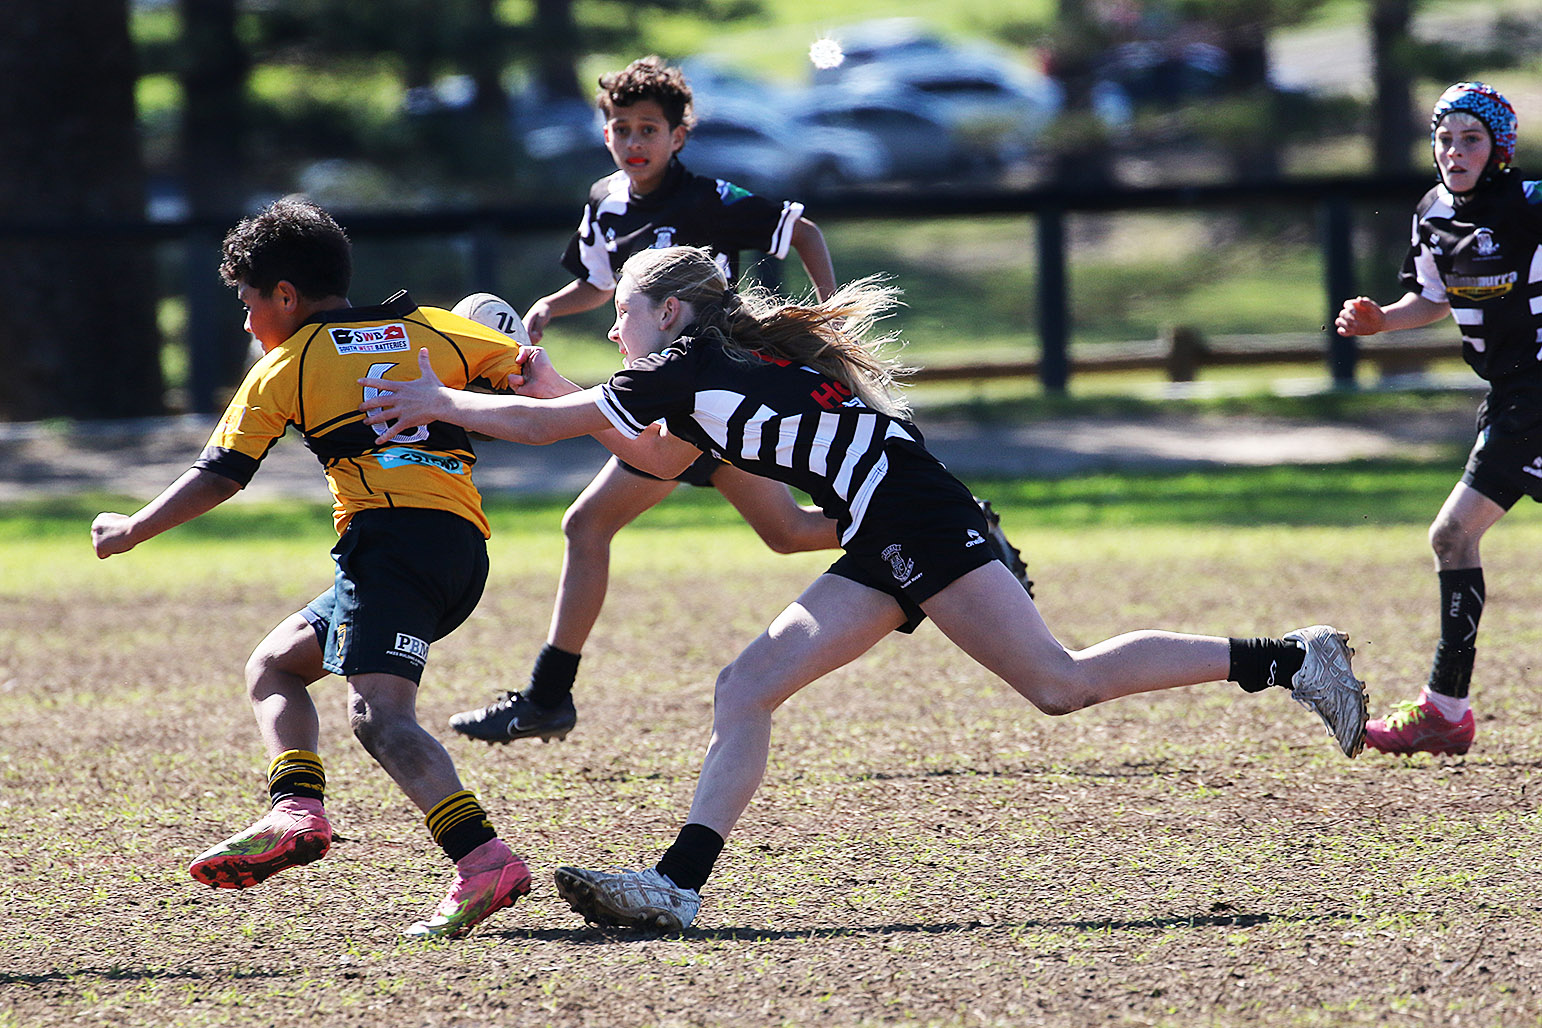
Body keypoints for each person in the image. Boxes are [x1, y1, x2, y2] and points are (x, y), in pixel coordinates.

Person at [359, 244, 1369, 931]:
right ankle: (676, 885)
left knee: (1060, 682)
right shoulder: (703, 367)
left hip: (917, 517)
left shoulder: (680, 365)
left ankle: (1289, 657)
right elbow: (608, 428)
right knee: (744, 686)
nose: (615, 327)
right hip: (890, 521)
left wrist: (438, 396)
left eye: (622, 310)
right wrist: (515, 387)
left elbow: (569, 422)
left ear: (664, 310)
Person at [453, 55, 1029, 747]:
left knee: (586, 524)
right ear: (604, 133)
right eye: (620, 128)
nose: (633, 142)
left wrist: (830, 313)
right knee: (784, 533)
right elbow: (604, 284)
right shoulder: (605, 201)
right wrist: (552, 303)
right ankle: (964, 528)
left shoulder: (711, 200)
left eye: (648, 129)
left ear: (679, 136)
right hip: (682, 398)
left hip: (702, 395)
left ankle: (548, 698)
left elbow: (804, 230)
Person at [90, 198, 534, 940]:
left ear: (285, 297)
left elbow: (220, 474)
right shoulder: (430, 327)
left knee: (378, 717)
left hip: (388, 545)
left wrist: (133, 528)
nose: (245, 323)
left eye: (247, 302)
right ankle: (296, 808)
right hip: (459, 548)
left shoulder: (287, 368)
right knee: (274, 663)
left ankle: (483, 860)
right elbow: (527, 375)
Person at [1335, 82, 1540, 757]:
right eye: (1445, 139)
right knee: (1453, 539)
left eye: (1471, 139)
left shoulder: (1531, 208)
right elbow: (1429, 297)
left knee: (1453, 534)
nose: (1455, 151)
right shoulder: (1433, 213)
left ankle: (1445, 710)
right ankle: (1445, 711)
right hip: (1511, 395)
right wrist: (1381, 321)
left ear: (1500, 149)